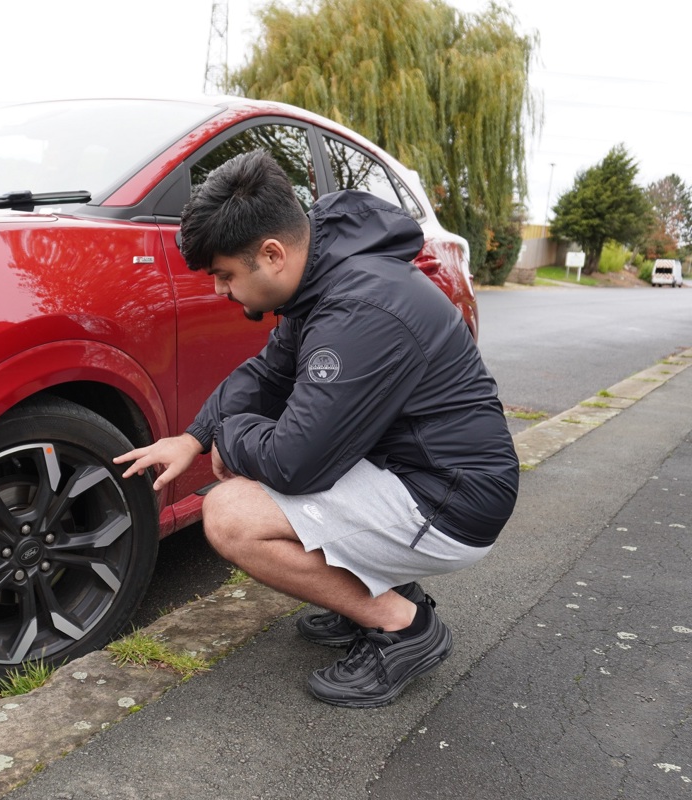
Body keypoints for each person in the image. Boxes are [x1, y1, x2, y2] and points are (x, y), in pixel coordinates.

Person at [115, 150, 518, 708]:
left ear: (272, 253)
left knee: (231, 514)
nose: (219, 291)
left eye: (225, 275)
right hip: (415, 471)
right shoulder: (324, 271)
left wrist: (232, 440)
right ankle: (380, 586)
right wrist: (195, 436)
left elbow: (295, 464)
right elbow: (265, 374)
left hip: (450, 501)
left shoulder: (360, 310)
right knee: (264, 470)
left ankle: (403, 625)